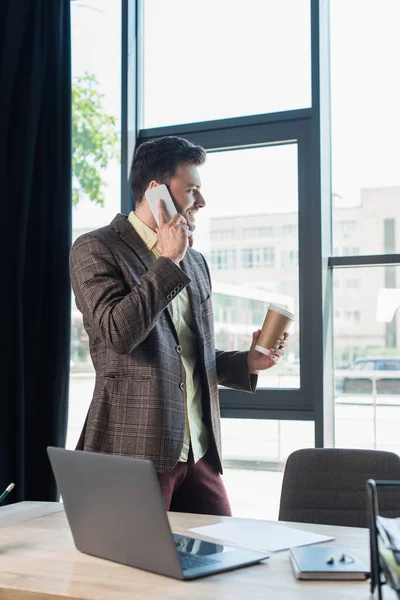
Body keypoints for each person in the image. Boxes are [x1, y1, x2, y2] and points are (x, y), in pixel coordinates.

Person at [70, 136, 289, 516]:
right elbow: (118, 334)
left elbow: (188, 356)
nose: (201, 202)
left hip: (199, 451)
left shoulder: (196, 261)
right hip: (135, 452)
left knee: (220, 563)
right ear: (157, 193)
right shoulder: (95, 248)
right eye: (192, 190)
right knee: (136, 571)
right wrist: (167, 261)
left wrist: (249, 362)